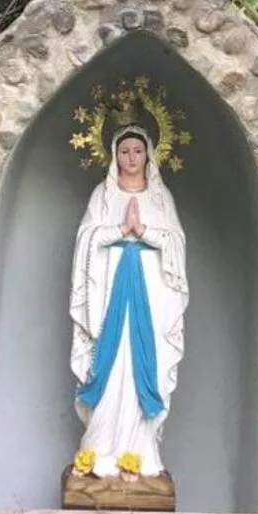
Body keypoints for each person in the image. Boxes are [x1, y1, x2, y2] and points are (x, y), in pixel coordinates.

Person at [68, 124, 188, 479]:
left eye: (137, 151)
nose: (131, 158)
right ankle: (99, 447)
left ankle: (139, 452)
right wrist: (120, 231)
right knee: (111, 357)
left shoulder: (161, 198)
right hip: (108, 291)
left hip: (150, 293)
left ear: (148, 153)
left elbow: (176, 243)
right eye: (124, 151)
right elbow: (85, 241)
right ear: (114, 155)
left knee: (142, 361)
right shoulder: (102, 196)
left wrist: (145, 232)